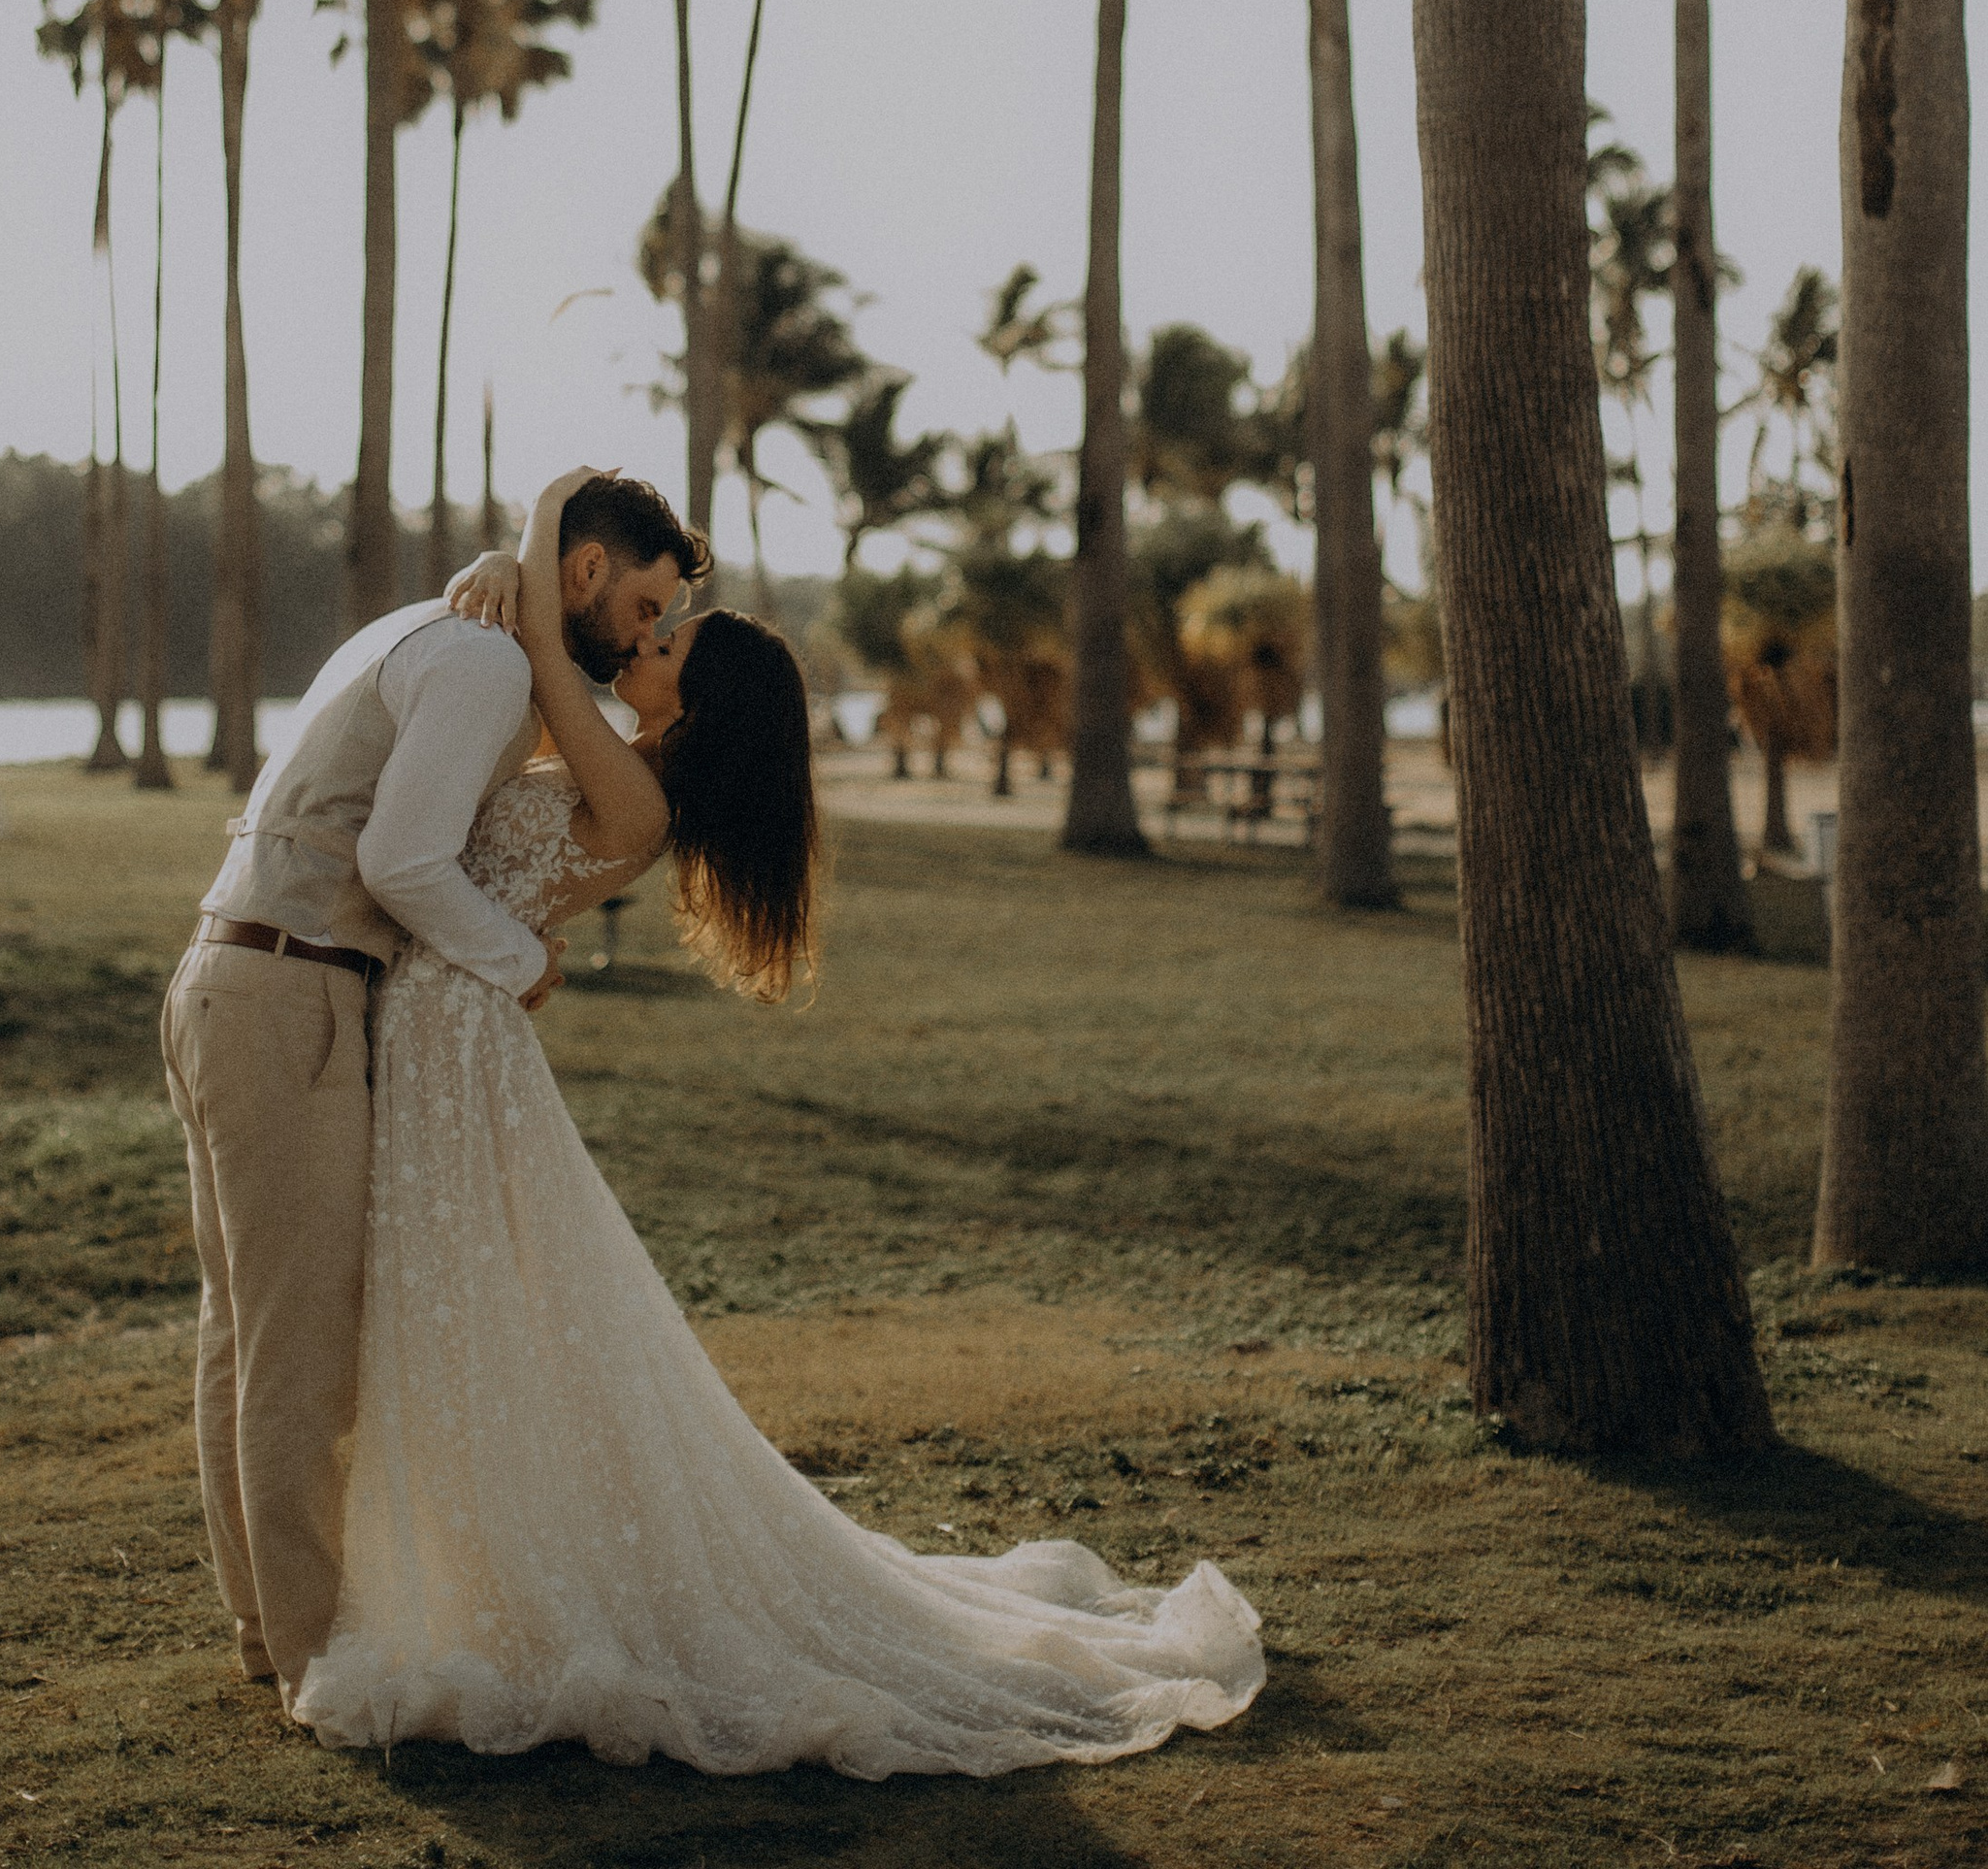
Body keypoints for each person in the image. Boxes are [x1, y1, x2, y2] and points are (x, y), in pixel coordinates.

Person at [293, 467, 1266, 1779]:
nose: (640, 643)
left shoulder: (636, 798)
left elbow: (544, 657)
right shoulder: (618, 761)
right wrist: (496, 575)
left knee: (472, 1301)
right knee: (473, 1303)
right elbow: (513, 699)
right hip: (443, 1020)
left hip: (457, 1034)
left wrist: (538, 529)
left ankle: (494, 1580)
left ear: (693, 706)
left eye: (663, 642)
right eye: (651, 622)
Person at [159, 468, 708, 1711]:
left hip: (228, 977)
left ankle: (268, 1632)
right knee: (298, 1353)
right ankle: (313, 1654)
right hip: (291, 989)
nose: (641, 634)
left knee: (244, 1331)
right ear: (586, 570)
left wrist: (510, 572)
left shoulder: (443, 631)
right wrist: (520, 961)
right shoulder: (485, 663)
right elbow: (401, 858)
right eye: (642, 605)